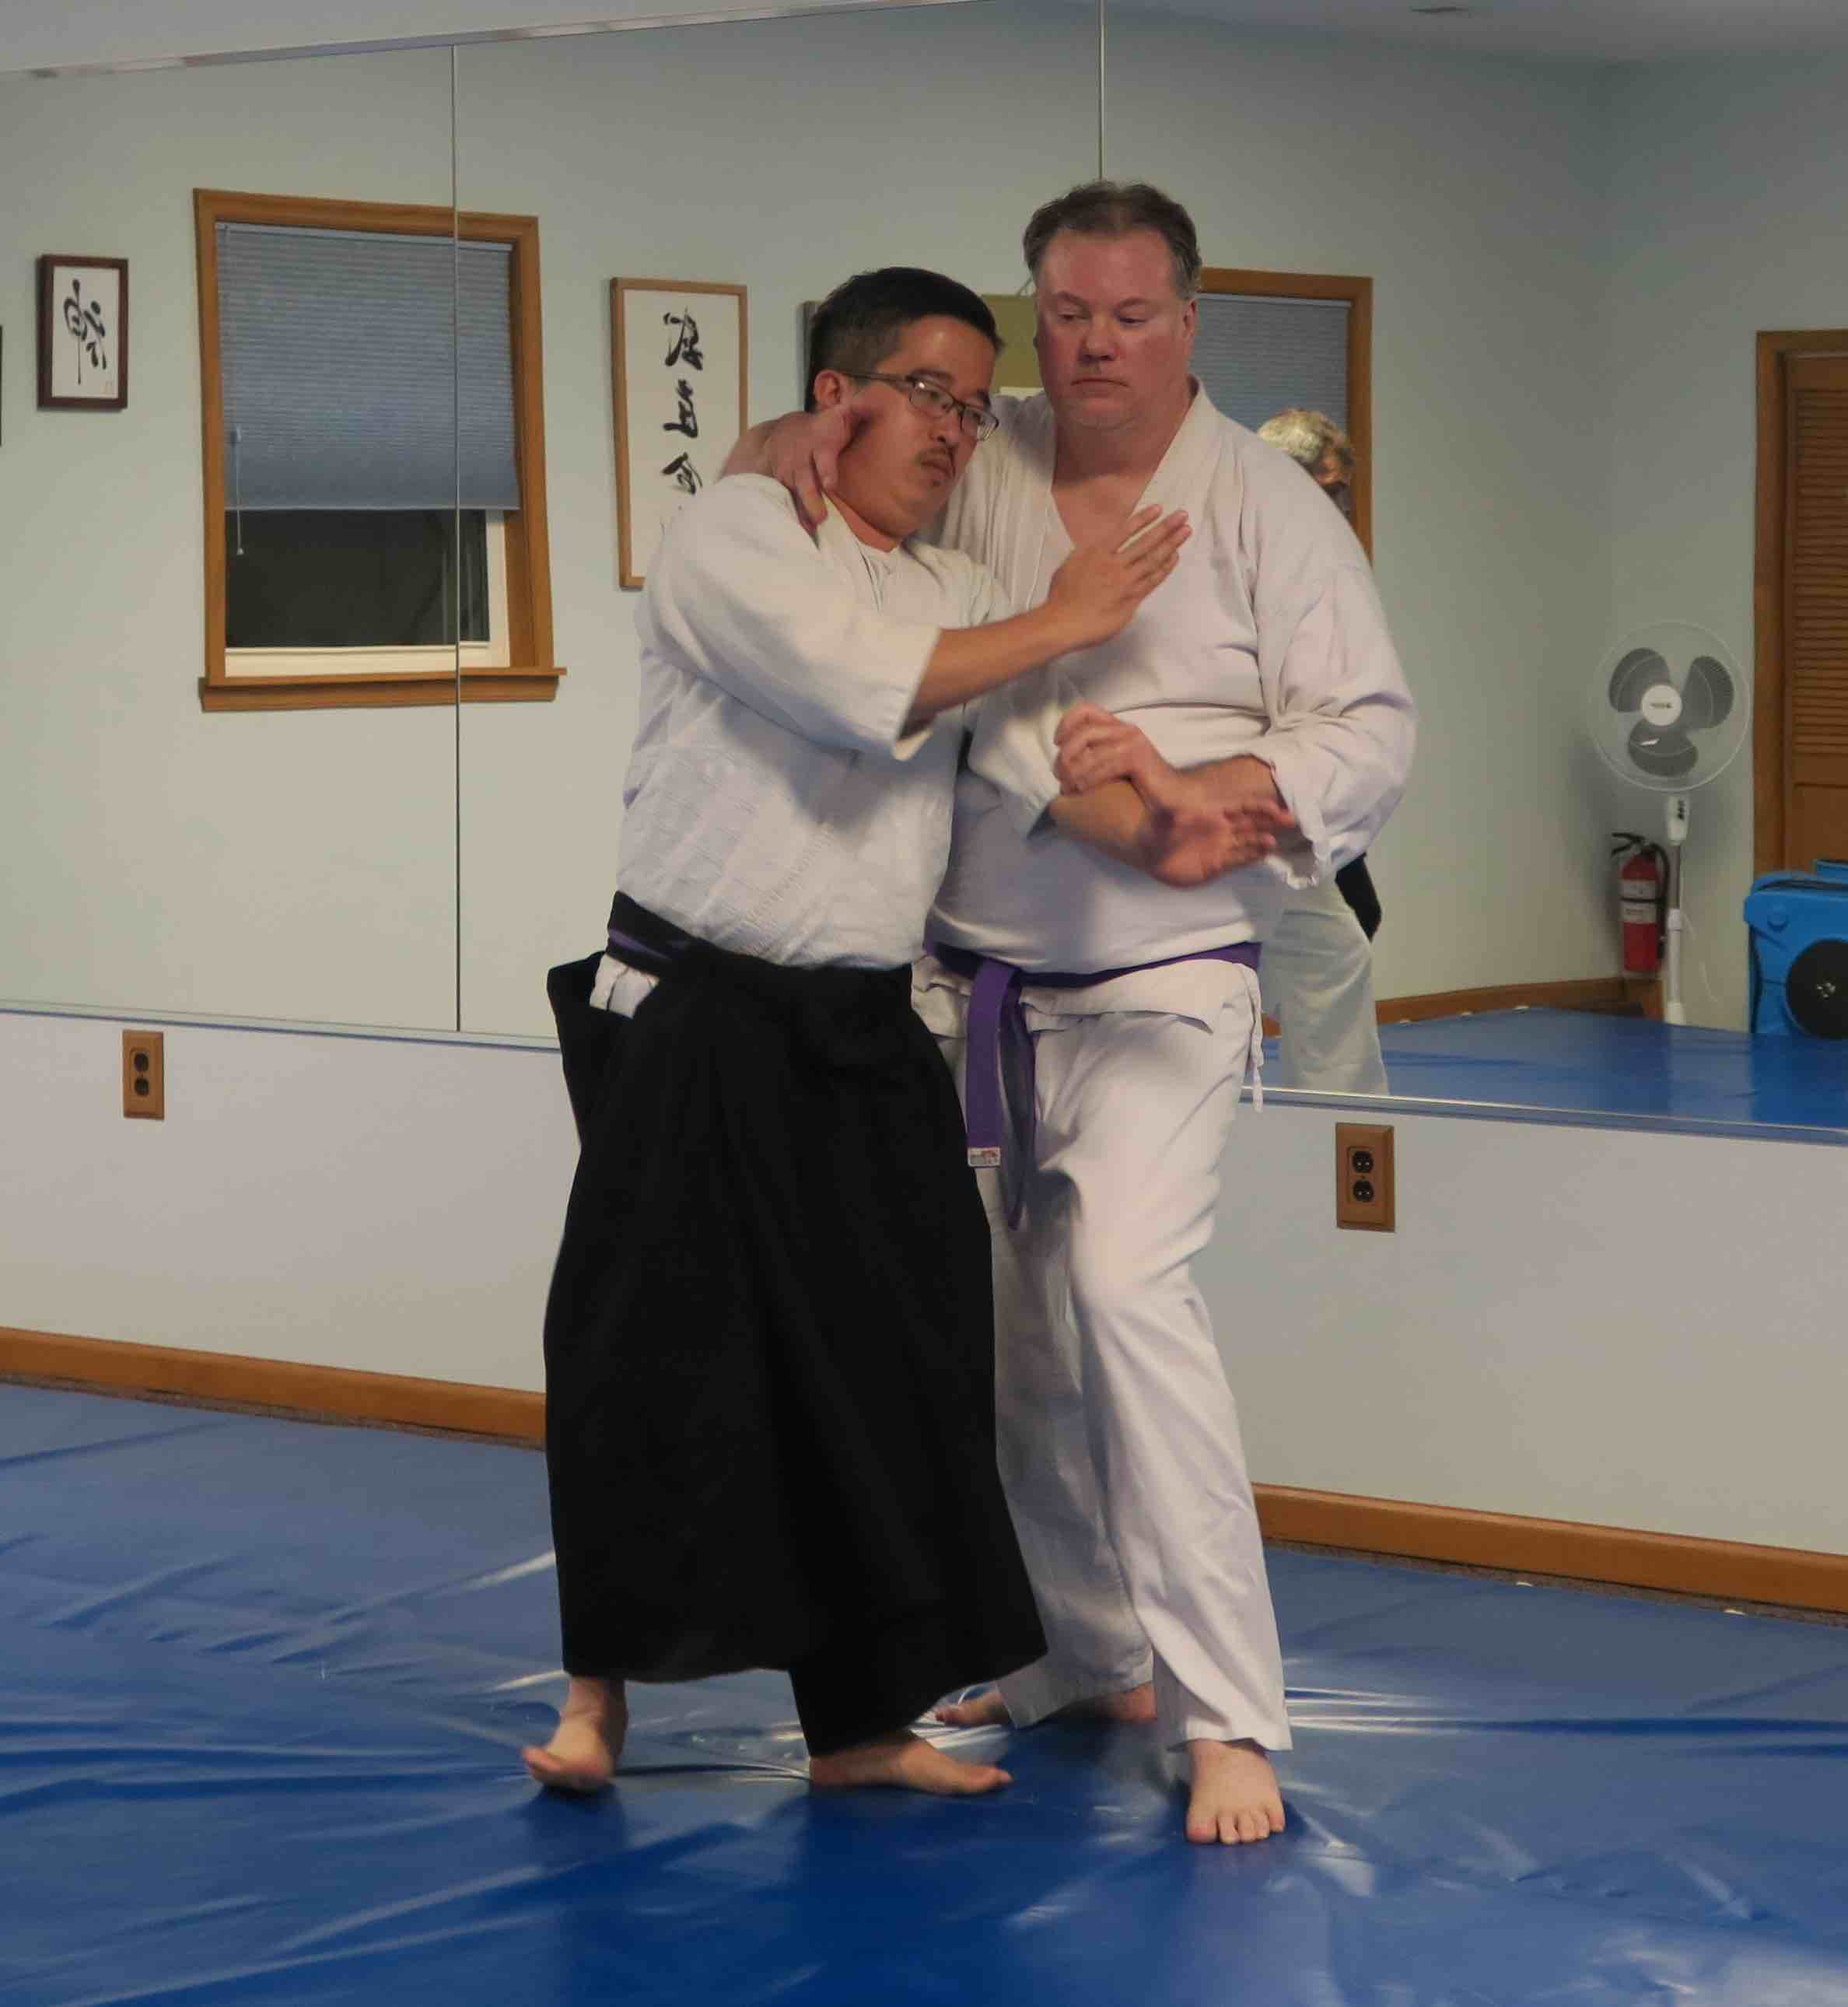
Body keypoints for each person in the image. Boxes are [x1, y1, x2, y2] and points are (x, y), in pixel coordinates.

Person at [732, 186, 1416, 1843]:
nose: (1096, 343)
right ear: (1038, 312)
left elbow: (1373, 728)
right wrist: (783, 439)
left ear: (1189, 322)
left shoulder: (1261, 503)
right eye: (1069, 313)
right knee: (1006, 1329)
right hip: (967, 979)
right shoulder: (992, 445)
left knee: (1117, 1287)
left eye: (1130, 314)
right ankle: (1074, 1652)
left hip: (1168, 980)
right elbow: (812, 470)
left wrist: (1209, 789)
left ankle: (1229, 1710)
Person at [524, 266, 1234, 1802]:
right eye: (932, 393)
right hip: (694, 1007)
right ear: (837, 399)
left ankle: (859, 1723)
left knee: (901, 1363)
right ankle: (599, 1699)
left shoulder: (949, 595)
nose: (959, 432)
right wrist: (1070, 611)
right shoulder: (737, 534)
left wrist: (1180, 814)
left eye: (979, 409)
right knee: (647, 1358)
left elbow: (1024, 737)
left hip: (860, 1022)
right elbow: (864, 695)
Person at [1251, 407, 1390, 1095]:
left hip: (1297, 791)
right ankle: (1337, 1125)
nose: (1337, 504)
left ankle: (1340, 1131)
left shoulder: (1321, 560)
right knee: (1326, 952)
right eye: (1327, 488)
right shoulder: (1236, 546)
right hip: (1234, 794)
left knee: (1342, 941)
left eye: (1339, 492)